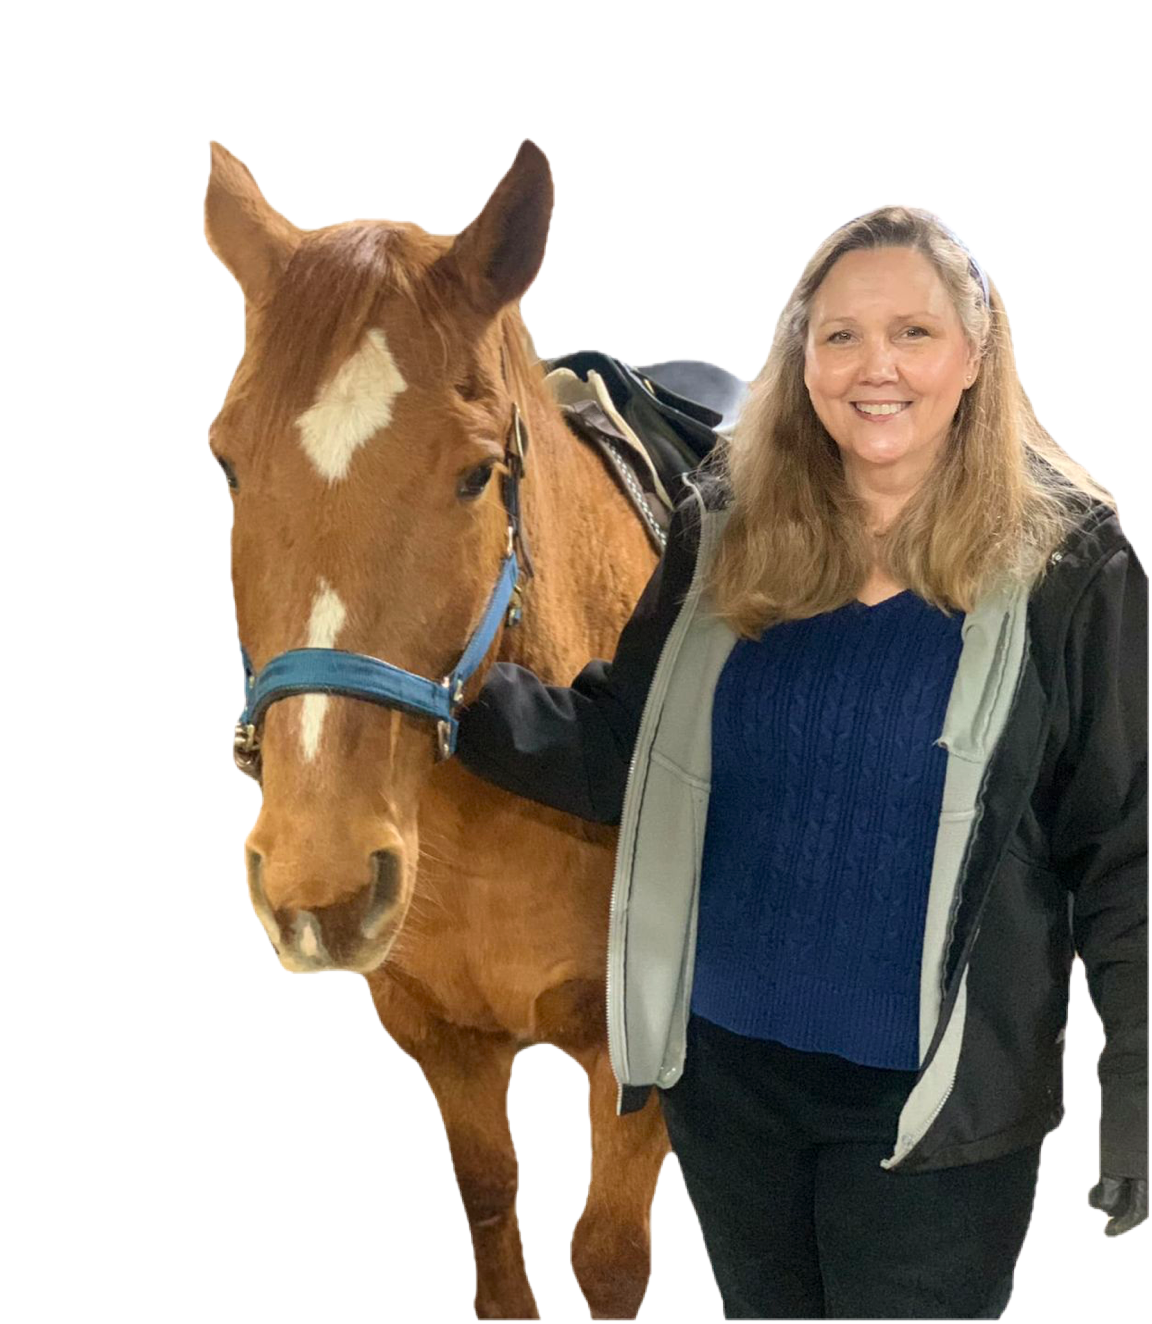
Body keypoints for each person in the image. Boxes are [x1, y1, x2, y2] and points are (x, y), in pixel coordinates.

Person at [453, 205, 1149, 1320]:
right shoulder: (725, 524)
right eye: (841, 336)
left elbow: (1128, 853)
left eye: (914, 333)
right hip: (730, 1091)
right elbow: (632, 748)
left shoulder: (1069, 566)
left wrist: (1139, 1100)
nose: (877, 366)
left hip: (934, 1119)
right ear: (801, 357)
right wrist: (442, 696)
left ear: (975, 354)